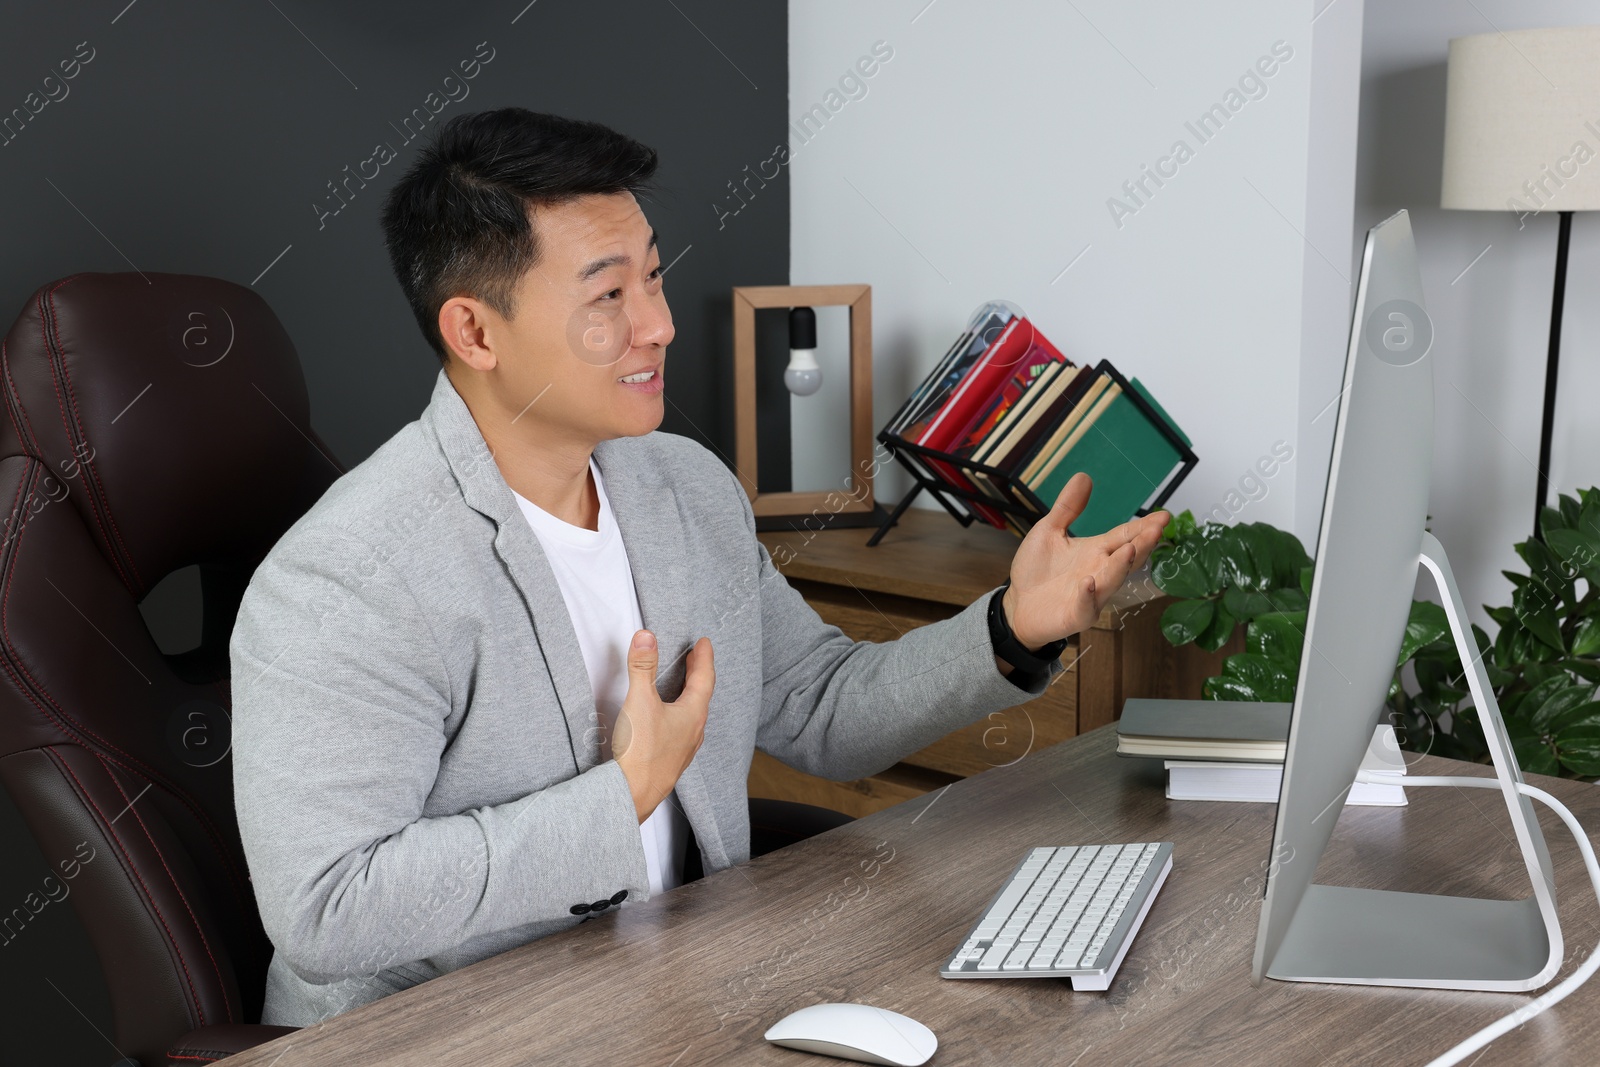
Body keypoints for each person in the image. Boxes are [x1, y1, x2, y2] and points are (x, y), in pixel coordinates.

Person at [229, 107, 1168, 1026]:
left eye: (655, 278)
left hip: (675, 991)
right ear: (475, 333)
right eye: (608, 296)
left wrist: (1011, 627)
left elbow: (821, 705)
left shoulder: (683, 487)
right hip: (441, 1031)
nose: (659, 324)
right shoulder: (347, 576)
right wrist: (624, 794)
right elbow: (325, 908)